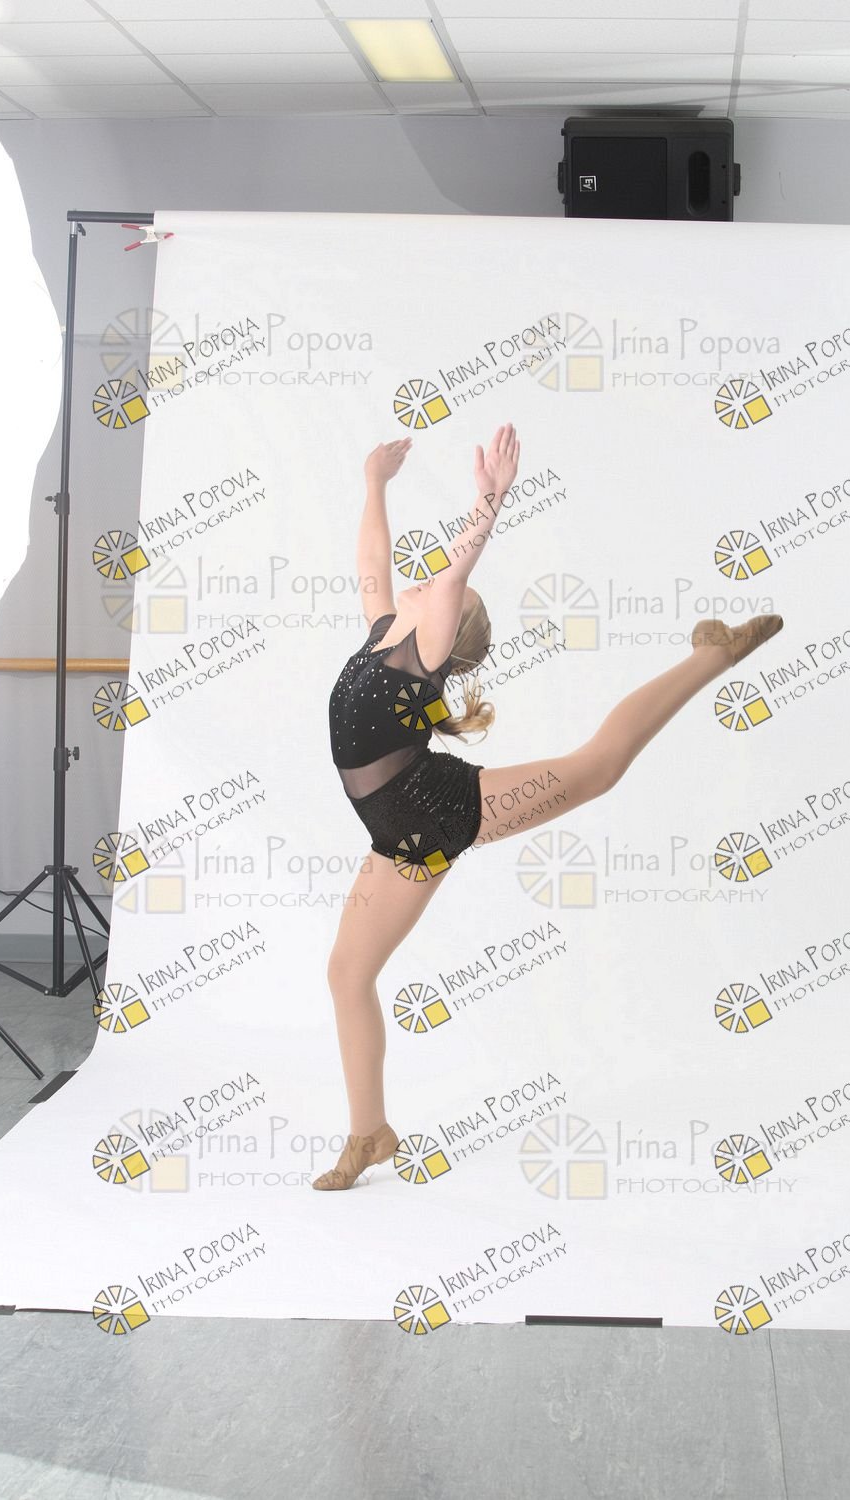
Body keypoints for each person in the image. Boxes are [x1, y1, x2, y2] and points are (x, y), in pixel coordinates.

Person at [314, 423, 782, 1190]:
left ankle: (713, 654)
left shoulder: (421, 650)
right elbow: (372, 560)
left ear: (446, 631)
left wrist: (489, 502)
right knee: (346, 974)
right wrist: (374, 482)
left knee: (597, 766)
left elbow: (457, 570)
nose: (427, 580)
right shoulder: (383, 630)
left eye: (444, 593)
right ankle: (370, 1132)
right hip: (397, 836)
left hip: (435, 808)